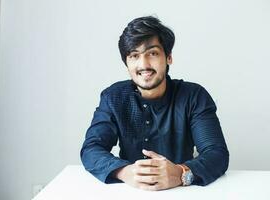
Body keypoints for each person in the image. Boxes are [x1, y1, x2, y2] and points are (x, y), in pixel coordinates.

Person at [80, 16, 229, 191]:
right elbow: (91, 149)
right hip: (129, 192)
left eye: (152, 53)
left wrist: (180, 173)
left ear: (169, 57)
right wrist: (124, 171)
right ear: (126, 63)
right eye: (134, 55)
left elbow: (217, 153)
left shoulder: (194, 96)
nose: (144, 64)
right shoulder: (113, 97)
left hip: (184, 192)